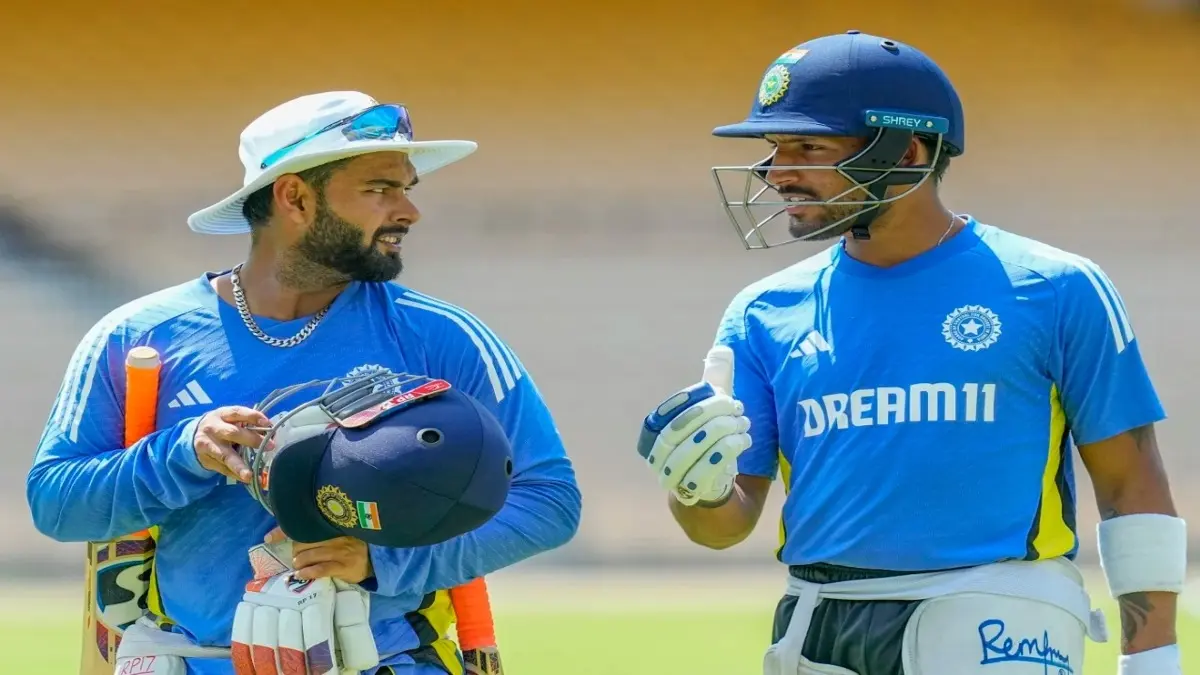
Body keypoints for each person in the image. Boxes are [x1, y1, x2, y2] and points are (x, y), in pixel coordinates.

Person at [636, 31, 1184, 675]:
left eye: (808, 147)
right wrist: (694, 490)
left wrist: (1154, 659)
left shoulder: (1055, 286)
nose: (778, 173)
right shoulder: (762, 312)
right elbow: (726, 526)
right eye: (774, 149)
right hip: (819, 620)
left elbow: (1130, 479)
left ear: (909, 151)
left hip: (997, 615)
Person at [27, 90, 582, 675]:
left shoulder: (442, 336)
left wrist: (381, 561)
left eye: (405, 189)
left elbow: (550, 500)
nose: (407, 211)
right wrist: (181, 453)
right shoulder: (136, 337)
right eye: (378, 189)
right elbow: (57, 505)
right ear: (294, 196)